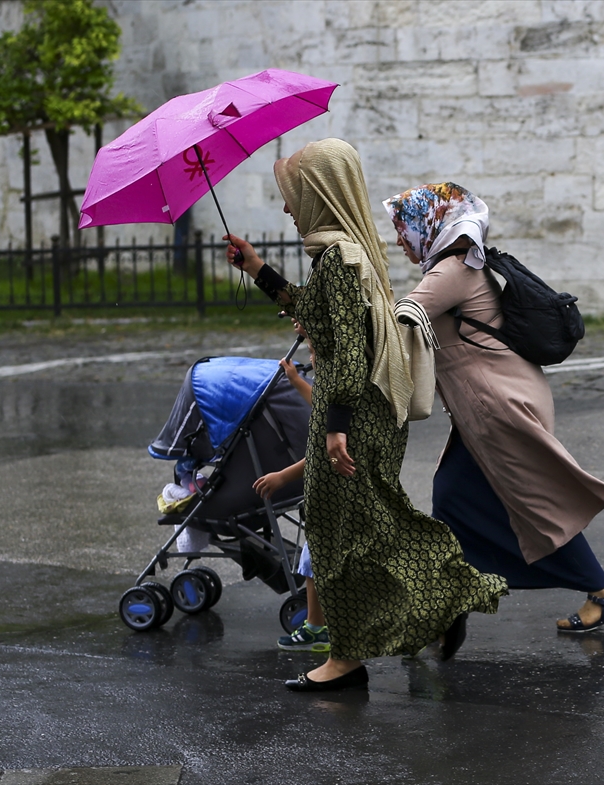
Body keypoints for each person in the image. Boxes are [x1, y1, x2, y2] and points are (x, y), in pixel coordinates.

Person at [224, 140, 507, 692]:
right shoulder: (347, 252)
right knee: (371, 525)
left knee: (335, 535)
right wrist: (259, 268)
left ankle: (352, 654)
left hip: (351, 413)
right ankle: (442, 600)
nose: (288, 208)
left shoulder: (337, 258)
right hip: (364, 411)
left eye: (294, 196)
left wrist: (334, 429)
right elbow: (318, 316)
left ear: (320, 195)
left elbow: (348, 352)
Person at [384, 182, 604, 633]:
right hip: (495, 399)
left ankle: (603, 592)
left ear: (430, 225)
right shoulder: (458, 263)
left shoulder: (452, 271)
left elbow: (399, 320)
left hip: (497, 404)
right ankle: (451, 598)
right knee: (455, 497)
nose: (400, 240)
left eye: (404, 230)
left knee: (533, 503)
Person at [253, 321, 328, 654]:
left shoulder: (344, 382)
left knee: (319, 557)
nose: (311, 357)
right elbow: (324, 403)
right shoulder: (336, 378)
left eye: (314, 351)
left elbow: (325, 450)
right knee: (315, 557)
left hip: (339, 489)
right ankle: (316, 625)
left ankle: (317, 627)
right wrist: (298, 380)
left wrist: (283, 476)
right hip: (333, 490)